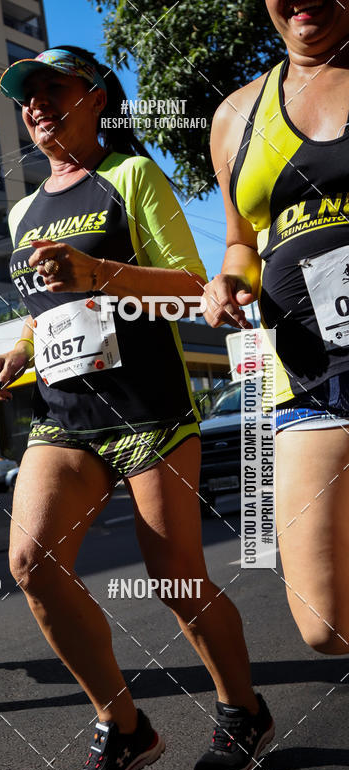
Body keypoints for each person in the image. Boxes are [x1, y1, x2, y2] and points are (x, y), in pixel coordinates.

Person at [0, 46, 274, 770]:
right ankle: (123, 725)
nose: (38, 104)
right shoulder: (22, 211)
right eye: (27, 96)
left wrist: (100, 273)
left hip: (147, 410)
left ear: (97, 97)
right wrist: (15, 350)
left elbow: (188, 286)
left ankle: (243, 711)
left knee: (176, 579)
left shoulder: (131, 177)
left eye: (54, 88)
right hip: (65, 417)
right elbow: (45, 308)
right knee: (31, 561)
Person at [203, 1, 349, 655]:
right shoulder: (236, 116)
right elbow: (241, 243)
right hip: (303, 377)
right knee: (325, 624)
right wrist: (229, 280)